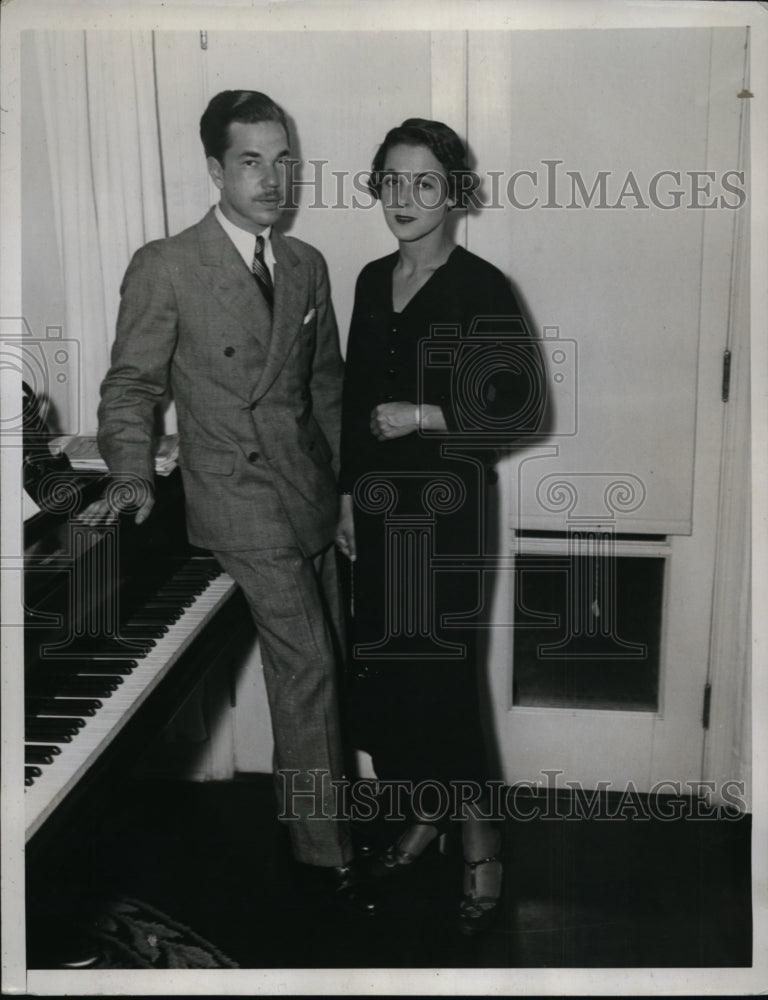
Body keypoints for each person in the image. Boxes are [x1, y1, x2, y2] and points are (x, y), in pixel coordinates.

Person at [83, 90, 376, 915]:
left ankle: (314, 822)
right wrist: (134, 473)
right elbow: (130, 387)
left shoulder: (308, 265)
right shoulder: (167, 265)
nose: (273, 178)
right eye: (252, 160)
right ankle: (326, 860)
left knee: (324, 662)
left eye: (284, 158)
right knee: (309, 664)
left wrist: (348, 490)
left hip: (310, 494)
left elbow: (326, 392)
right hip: (235, 496)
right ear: (215, 168)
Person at [335, 118, 544, 935]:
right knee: (392, 680)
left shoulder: (482, 287)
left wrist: (425, 413)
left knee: (446, 685)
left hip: (449, 514)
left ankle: (483, 846)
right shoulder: (365, 279)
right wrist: (348, 497)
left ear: (454, 193)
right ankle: (426, 816)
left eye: (425, 182)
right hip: (378, 517)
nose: (405, 198)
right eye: (391, 180)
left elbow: (523, 407)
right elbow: (355, 405)